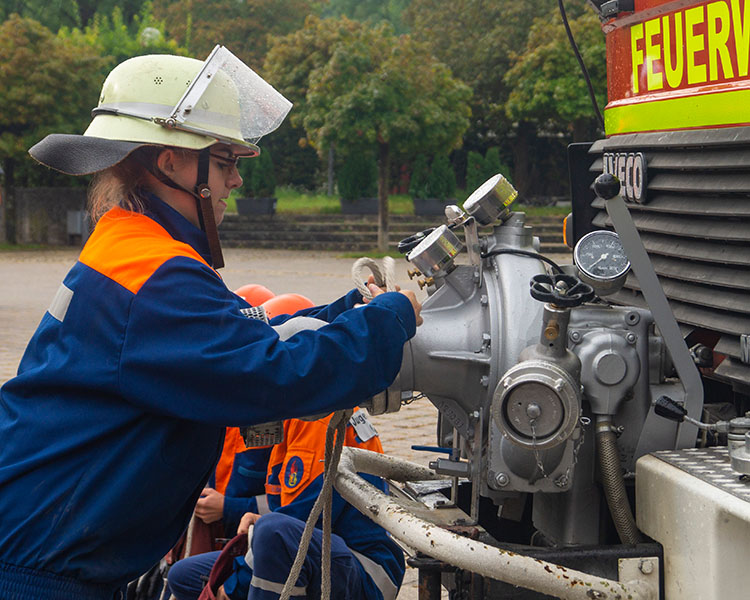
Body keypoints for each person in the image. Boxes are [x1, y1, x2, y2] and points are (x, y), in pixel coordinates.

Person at [0, 45, 421, 600]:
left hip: (48, 555)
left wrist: (349, 311)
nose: (235, 182)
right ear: (170, 159)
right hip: (40, 578)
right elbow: (271, 375)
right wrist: (391, 319)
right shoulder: (156, 276)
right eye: (224, 163)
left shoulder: (135, 251)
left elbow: (246, 337)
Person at [167, 409, 403, 600]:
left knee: (270, 532)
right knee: (184, 576)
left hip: (362, 570)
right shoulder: (291, 420)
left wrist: (231, 586)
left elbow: (294, 527)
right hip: (314, 551)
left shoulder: (318, 421)